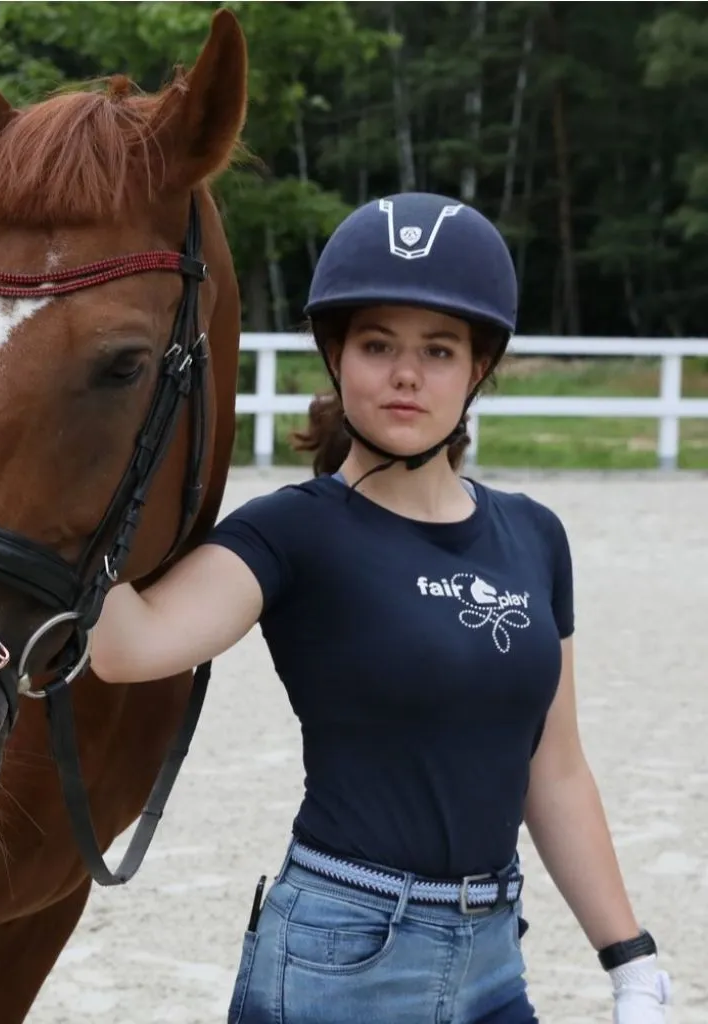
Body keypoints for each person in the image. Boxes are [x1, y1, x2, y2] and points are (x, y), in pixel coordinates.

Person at [89, 192, 671, 1024]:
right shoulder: (295, 530)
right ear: (337, 358)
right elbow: (130, 645)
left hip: (495, 959)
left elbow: (557, 765)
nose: (406, 373)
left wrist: (630, 960)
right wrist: (82, 486)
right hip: (341, 954)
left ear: (478, 369)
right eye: (377, 344)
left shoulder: (535, 537)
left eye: (438, 349)